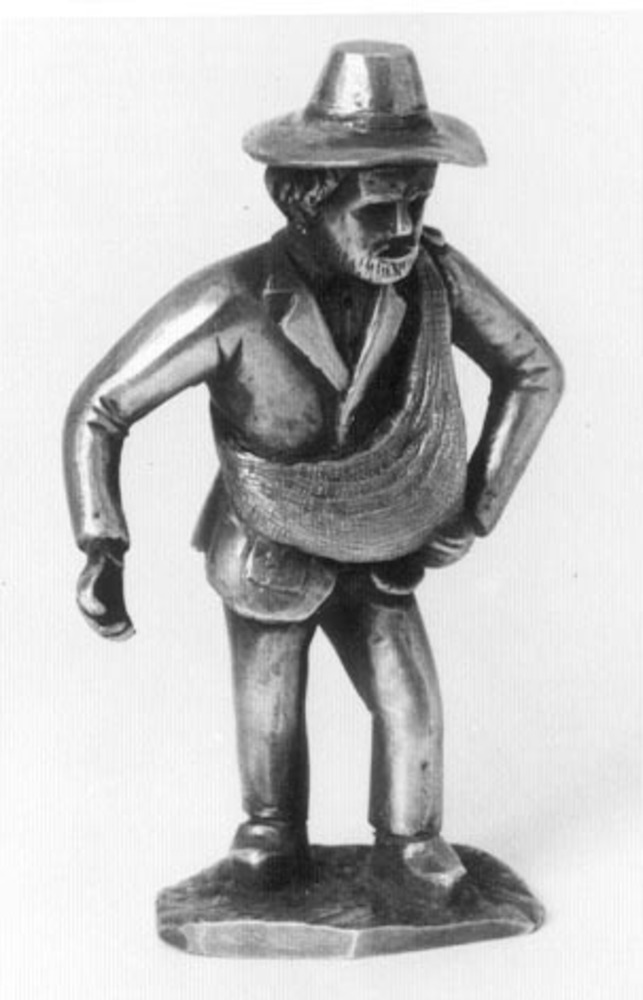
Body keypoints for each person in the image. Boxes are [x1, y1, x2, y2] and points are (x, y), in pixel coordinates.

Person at [64, 41, 563, 892]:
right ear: (306, 200)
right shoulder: (231, 300)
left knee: (409, 702)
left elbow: (535, 369)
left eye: (416, 202)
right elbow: (100, 408)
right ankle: (270, 835)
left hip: (388, 538)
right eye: (376, 210)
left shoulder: (432, 278)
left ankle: (409, 844)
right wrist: (102, 544)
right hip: (265, 542)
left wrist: (474, 507)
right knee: (268, 704)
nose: (402, 229)